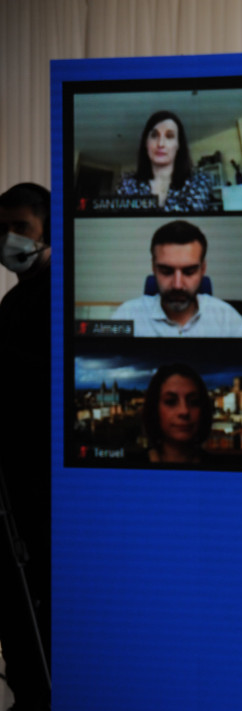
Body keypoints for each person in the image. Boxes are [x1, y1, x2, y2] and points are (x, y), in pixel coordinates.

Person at [0, 183, 52, 711]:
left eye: (21, 227)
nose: (9, 239)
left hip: (41, 497)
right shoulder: (13, 302)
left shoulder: (54, 301)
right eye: (2, 228)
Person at [111, 220, 242, 337]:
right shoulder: (127, 315)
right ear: (154, 268)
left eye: (189, 271)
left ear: (203, 270)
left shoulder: (225, 317)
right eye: (166, 271)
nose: (177, 285)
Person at [116, 110, 217, 211]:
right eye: (154, 135)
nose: (160, 144)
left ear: (178, 145)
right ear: (146, 143)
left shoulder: (199, 182)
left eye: (169, 136)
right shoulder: (127, 184)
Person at [142, 363, 215, 464]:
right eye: (171, 401)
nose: (184, 411)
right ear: (154, 408)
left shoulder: (222, 470)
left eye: (194, 402)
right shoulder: (129, 468)